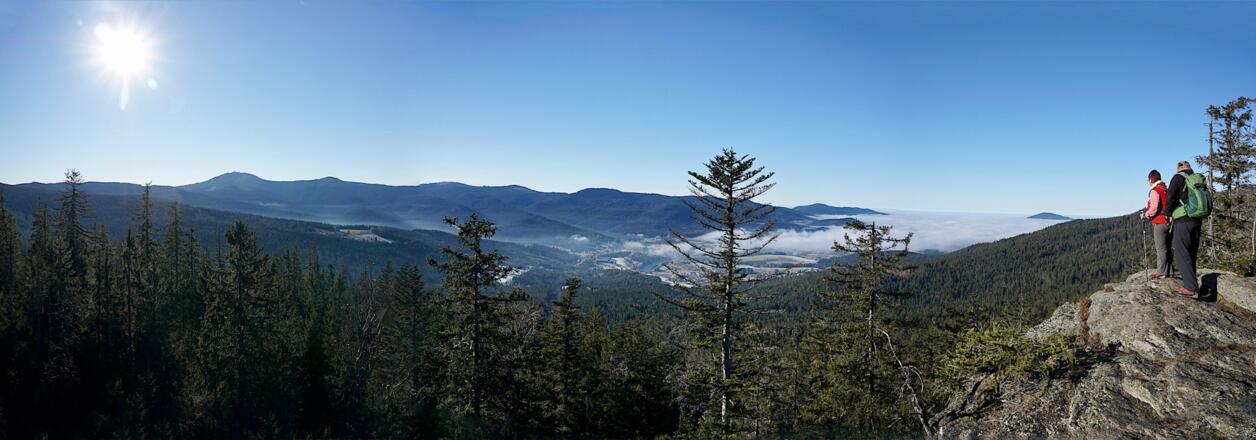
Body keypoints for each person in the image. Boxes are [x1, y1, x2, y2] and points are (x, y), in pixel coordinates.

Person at [1164, 160, 1203, 298]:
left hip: (1183, 219)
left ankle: (1190, 288)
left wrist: (1168, 214)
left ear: (1179, 169)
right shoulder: (1196, 179)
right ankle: (1193, 285)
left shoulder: (1178, 177)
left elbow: (1170, 196)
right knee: (1191, 252)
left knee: (1181, 251)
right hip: (1197, 218)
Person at [1142, 170, 1171, 279]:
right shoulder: (1165, 189)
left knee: (1161, 248)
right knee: (1168, 247)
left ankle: (1161, 272)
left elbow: (1154, 207)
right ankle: (1169, 271)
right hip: (1169, 221)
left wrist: (1146, 214)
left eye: (1148, 180)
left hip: (1160, 222)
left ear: (1151, 179)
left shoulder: (1155, 190)